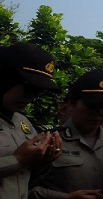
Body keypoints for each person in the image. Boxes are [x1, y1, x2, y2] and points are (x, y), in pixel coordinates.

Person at [28, 69, 103, 199]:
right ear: (72, 104)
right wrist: (65, 197)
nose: (98, 112)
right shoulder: (47, 138)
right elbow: (21, 188)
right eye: (92, 105)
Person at [0, 42, 62, 199]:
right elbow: (19, 161)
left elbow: (27, 183)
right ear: (6, 77)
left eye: (39, 91)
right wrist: (17, 160)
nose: (31, 96)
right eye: (29, 87)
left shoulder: (22, 122)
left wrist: (42, 162)